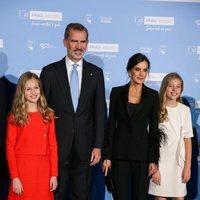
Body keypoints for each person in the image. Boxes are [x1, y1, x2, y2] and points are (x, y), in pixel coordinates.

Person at [40, 23, 106, 200]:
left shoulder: (96, 73)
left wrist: (98, 146)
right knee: (57, 192)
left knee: (82, 194)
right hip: (57, 144)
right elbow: (42, 112)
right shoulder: (50, 72)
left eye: (83, 41)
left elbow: (100, 112)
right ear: (65, 42)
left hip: (85, 145)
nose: (79, 46)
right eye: (74, 41)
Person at [102, 53, 161, 200]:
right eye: (137, 69)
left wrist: (153, 159)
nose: (141, 74)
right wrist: (107, 156)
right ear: (129, 71)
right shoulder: (116, 92)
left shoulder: (153, 96)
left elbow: (154, 130)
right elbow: (111, 126)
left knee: (140, 197)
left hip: (142, 155)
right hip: (119, 154)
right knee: (119, 196)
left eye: (145, 70)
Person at [6, 72, 58, 200]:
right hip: (23, 171)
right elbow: (10, 148)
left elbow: (53, 147)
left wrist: (54, 175)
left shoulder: (48, 116)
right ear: (22, 92)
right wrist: (15, 177)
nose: (33, 92)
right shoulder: (16, 116)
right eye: (28, 89)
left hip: (43, 172)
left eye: (36, 87)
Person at [149, 72, 193, 200]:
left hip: (178, 164)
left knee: (179, 197)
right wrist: (155, 167)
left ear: (181, 89)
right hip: (160, 162)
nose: (174, 90)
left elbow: (187, 140)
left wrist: (187, 167)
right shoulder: (156, 109)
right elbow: (151, 140)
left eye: (178, 86)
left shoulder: (184, 110)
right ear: (164, 87)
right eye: (170, 86)